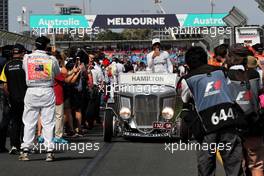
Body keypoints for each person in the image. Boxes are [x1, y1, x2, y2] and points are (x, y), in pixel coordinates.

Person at [181, 46, 243, 176]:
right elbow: (232, 91)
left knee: (206, 166)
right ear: (206, 59)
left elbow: (185, 98)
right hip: (229, 121)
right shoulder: (222, 71)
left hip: (207, 126)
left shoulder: (188, 79)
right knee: (233, 164)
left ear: (188, 63)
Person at [19, 36, 60, 162]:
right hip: (47, 90)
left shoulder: (27, 58)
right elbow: (57, 73)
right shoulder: (51, 58)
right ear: (47, 46)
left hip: (31, 91)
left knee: (29, 122)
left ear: (35, 45)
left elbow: (24, 69)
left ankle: (25, 150)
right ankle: (49, 151)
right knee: (48, 122)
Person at [226, 45, 264, 176]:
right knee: (257, 164)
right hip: (255, 124)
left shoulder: (225, 76)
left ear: (230, 58)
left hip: (234, 127)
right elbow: (258, 92)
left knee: (237, 165)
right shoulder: (256, 74)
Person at [0, 44, 27, 154]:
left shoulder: (7, 65)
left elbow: (4, 85)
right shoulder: (24, 64)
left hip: (12, 98)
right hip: (26, 97)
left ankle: (14, 145)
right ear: (21, 53)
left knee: (14, 122)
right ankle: (24, 144)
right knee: (25, 122)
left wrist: (9, 97)